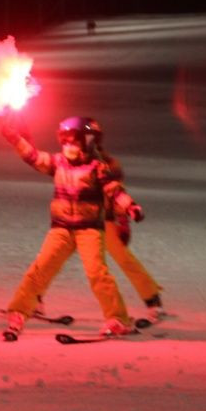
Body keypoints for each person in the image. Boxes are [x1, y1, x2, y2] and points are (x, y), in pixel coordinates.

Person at [1, 115, 144, 339]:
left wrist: (130, 207)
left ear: (87, 142)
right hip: (61, 229)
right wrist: (14, 138)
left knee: (97, 273)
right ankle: (19, 312)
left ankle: (118, 318)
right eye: (65, 140)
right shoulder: (58, 162)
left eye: (74, 141)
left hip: (89, 229)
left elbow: (114, 190)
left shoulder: (97, 167)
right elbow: (34, 157)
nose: (68, 145)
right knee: (40, 269)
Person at [35, 118, 165, 323]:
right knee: (50, 259)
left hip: (103, 222)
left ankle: (153, 300)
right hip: (73, 221)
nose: (78, 143)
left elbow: (116, 193)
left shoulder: (107, 164)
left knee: (122, 259)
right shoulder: (72, 159)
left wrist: (124, 218)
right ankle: (35, 299)